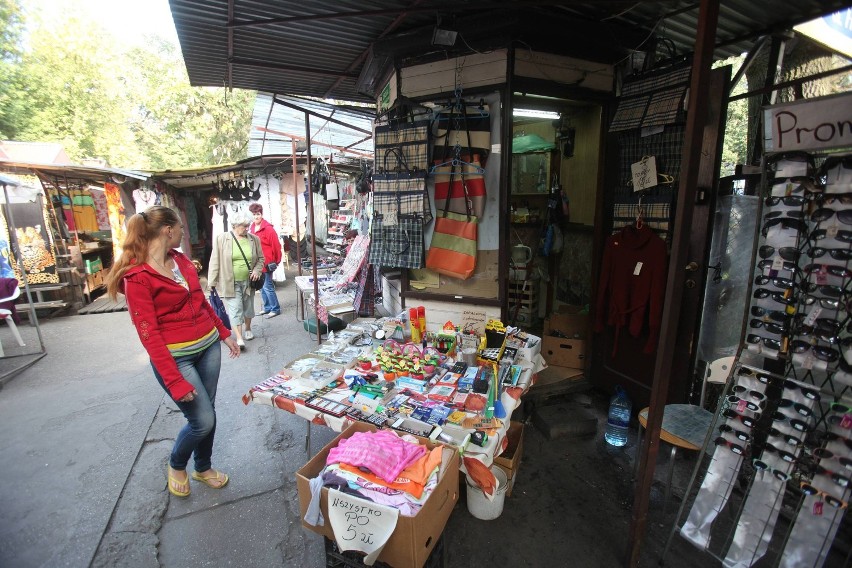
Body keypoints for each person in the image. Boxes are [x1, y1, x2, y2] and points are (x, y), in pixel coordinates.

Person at [105, 205, 239, 498]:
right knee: (201, 420)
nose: (182, 232)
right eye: (180, 228)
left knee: (209, 413)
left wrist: (224, 333)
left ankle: (203, 468)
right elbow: (148, 334)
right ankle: (177, 464)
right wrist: (175, 380)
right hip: (177, 359)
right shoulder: (137, 277)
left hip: (208, 347)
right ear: (168, 230)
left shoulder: (181, 262)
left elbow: (202, 303)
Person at [208, 212, 264, 350]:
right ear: (235, 225)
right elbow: (215, 260)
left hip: (249, 281)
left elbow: (261, 259)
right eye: (244, 226)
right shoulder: (222, 239)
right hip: (230, 281)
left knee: (248, 307)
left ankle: (248, 328)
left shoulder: (254, 239)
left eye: (248, 225)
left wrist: (257, 270)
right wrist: (212, 281)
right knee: (235, 309)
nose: (247, 228)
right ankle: (239, 338)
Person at [248, 203, 282, 318]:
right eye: (254, 214)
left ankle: (275, 308)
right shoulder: (252, 227)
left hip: (267, 262)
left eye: (258, 214)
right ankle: (267, 307)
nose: (256, 217)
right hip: (257, 263)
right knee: (261, 286)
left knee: (268, 286)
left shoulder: (268, 229)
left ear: (261, 214)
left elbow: (276, 246)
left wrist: (277, 261)